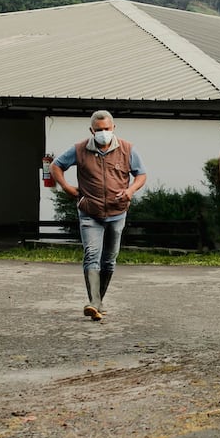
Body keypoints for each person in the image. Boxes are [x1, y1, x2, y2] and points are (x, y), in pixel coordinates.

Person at [49, 110, 147, 321]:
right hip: (89, 213)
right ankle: (94, 302)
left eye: (107, 129)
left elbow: (141, 174)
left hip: (117, 212)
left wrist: (130, 191)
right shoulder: (79, 149)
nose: (103, 133)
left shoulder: (127, 149)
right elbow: (55, 165)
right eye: (99, 130)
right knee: (92, 255)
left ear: (114, 128)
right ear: (92, 130)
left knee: (109, 260)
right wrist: (66, 187)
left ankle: (98, 301)